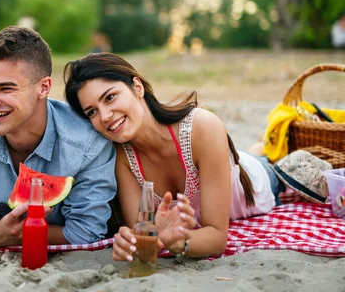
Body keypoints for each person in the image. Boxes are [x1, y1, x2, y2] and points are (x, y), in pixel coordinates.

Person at [64, 53, 278, 259]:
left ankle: (264, 145)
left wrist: (177, 243)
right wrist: (132, 245)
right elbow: (145, 237)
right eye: (92, 111)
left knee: (270, 161)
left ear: (137, 87)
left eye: (110, 97)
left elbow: (217, 238)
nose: (105, 116)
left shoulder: (203, 127)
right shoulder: (122, 157)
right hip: (221, 160)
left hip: (256, 179)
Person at [0, 26, 117, 247]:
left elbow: (85, 234)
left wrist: (11, 233)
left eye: (6, 88)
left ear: (44, 87)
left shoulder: (87, 142)